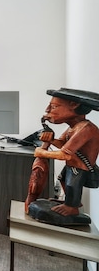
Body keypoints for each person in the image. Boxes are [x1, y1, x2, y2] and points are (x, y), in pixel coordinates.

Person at [26, 88, 99, 218]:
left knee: (72, 184)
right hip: (73, 163)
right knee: (64, 180)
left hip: (80, 166)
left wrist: (41, 152)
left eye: (54, 106)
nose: (47, 110)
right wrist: (52, 140)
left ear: (74, 105)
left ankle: (72, 207)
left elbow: (64, 154)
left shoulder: (86, 129)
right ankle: (69, 202)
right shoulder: (73, 128)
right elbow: (63, 144)